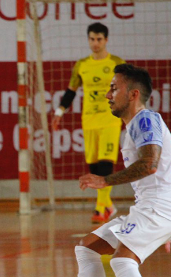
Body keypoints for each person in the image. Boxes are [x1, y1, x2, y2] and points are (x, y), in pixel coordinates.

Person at [53, 64, 171, 277]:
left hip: (160, 206)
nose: (107, 94)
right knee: (87, 248)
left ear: (133, 94)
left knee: (123, 261)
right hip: (159, 207)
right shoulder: (142, 124)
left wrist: (105, 180)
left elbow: (150, 164)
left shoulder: (144, 120)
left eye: (114, 88)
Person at [52, 23, 125, 224]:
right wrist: (59, 112)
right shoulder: (82, 65)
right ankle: (107, 204)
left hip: (110, 119)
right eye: (92, 39)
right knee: (94, 167)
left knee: (106, 162)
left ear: (106, 40)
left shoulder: (117, 63)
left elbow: (128, 89)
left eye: (99, 39)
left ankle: (100, 208)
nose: (95, 43)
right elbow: (71, 91)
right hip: (89, 120)